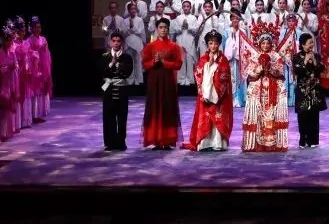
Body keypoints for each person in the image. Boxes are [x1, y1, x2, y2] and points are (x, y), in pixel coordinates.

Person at [241, 23, 290, 152]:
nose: (266, 45)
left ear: (271, 44)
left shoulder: (276, 56)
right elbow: (250, 73)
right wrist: (260, 68)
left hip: (273, 89)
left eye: (268, 43)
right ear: (259, 44)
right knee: (258, 115)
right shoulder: (254, 56)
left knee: (272, 115)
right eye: (263, 43)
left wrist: (270, 68)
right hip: (258, 89)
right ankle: (257, 143)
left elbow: (280, 72)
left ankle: (273, 142)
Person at [184, 31, 234, 152]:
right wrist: (208, 66)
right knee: (205, 117)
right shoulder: (203, 59)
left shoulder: (223, 59)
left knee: (218, 117)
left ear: (219, 44)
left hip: (218, 96)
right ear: (207, 44)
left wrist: (215, 66)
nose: (213, 46)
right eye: (210, 43)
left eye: (215, 43)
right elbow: (198, 75)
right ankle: (205, 143)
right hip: (206, 95)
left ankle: (218, 142)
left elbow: (225, 76)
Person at [141, 17, 183, 150]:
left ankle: (167, 139)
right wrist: (154, 62)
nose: (163, 30)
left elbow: (178, 64)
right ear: (156, 29)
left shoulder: (174, 46)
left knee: (167, 107)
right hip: (154, 81)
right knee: (154, 107)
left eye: (165, 27)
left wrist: (164, 62)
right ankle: (156, 139)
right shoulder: (150, 46)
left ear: (168, 29)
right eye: (161, 27)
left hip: (168, 81)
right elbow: (144, 64)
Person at [100, 32, 134, 150]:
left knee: (122, 117)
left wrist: (118, 66)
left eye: (118, 41)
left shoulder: (127, 57)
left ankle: (121, 142)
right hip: (108, 90)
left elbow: (127, 72)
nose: (116, 43)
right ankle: (110, 143)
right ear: (110, 42)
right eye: (113, 41)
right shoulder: (105, 56)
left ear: (122, 43)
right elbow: (102, 72)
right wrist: (111, 64)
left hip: (122, 90)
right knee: (108, 116)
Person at [292, 33, 326, 148]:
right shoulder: (296, 56)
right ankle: (303, 140)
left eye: (312, 42)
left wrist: (315, 62)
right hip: (303, 90)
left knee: (314, 115)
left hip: (314, 90)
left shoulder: (316, 55)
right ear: (303, 44)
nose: (312, 45)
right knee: (303, 115)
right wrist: (305, 61)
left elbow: (321, 69)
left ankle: (313, 140)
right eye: (309, 43)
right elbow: (298, 71)